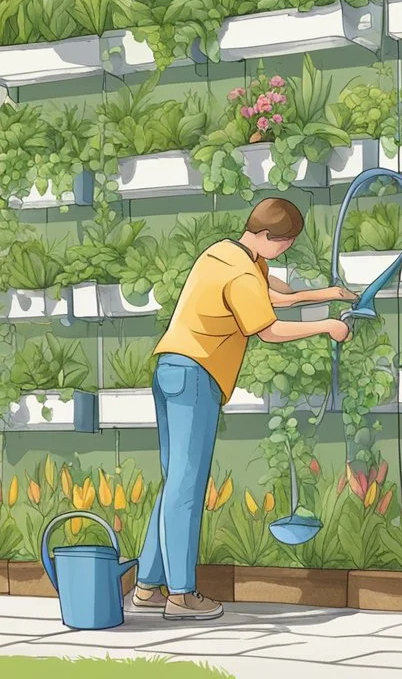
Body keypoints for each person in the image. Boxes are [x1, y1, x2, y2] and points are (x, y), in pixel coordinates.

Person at [133, 197, 355, 620]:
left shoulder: (228, 254)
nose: (285, 251)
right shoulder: (241, 272)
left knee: (174, 482)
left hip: (170, 369)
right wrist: (328, 325)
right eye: (284, 244)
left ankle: (146, 587)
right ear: (267, 237)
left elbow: (277, 296)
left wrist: (327, 294)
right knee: (187, 486)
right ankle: (180, 595)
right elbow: (268, 329)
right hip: (196, 375)